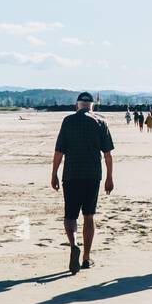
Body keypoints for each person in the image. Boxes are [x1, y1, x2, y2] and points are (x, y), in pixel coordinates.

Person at [51, 91, 115, 274]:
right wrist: (110, 178)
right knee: (89, 216)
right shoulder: (100, 122)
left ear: (77, 105)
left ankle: (74, 245)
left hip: (71, 174)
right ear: (91, 106)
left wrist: (53, 173)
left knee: (70, 216)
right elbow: (108, 154)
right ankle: (86, 258)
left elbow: (59, 152)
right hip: (93, 175)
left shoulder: (68, 121)